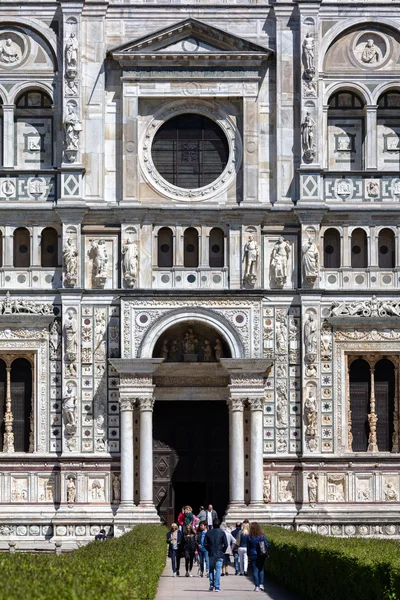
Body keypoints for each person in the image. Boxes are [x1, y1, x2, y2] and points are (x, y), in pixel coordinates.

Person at [204, 519, 227, 592]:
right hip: (219, 552)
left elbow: (205, 544)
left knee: (211, 569)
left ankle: (211, 584)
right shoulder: (222, 533)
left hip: (211, 553)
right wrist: (223, 550)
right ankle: (217, 586)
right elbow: (226, 544)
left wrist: (209, 549)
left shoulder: (208, 532)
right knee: (218, 570)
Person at [247, 522, 269, 592]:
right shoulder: (262, 536)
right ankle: (261, 584)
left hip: (253, 554)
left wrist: (248, 555)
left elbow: (248, 547)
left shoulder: (249, 537)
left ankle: (256, 586)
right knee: (261, 569)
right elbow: (266, 545)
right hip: (261, 554)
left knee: (255, 570)